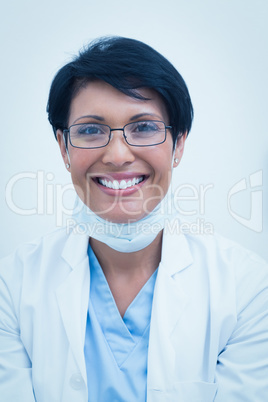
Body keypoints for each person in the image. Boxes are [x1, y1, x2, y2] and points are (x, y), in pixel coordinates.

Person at [0, 36, 267, 402]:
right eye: (91, 130)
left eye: (143, 127)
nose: (117, 155)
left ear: (180, 144)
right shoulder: (12, 287)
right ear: (63, 147)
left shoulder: (249, 290)